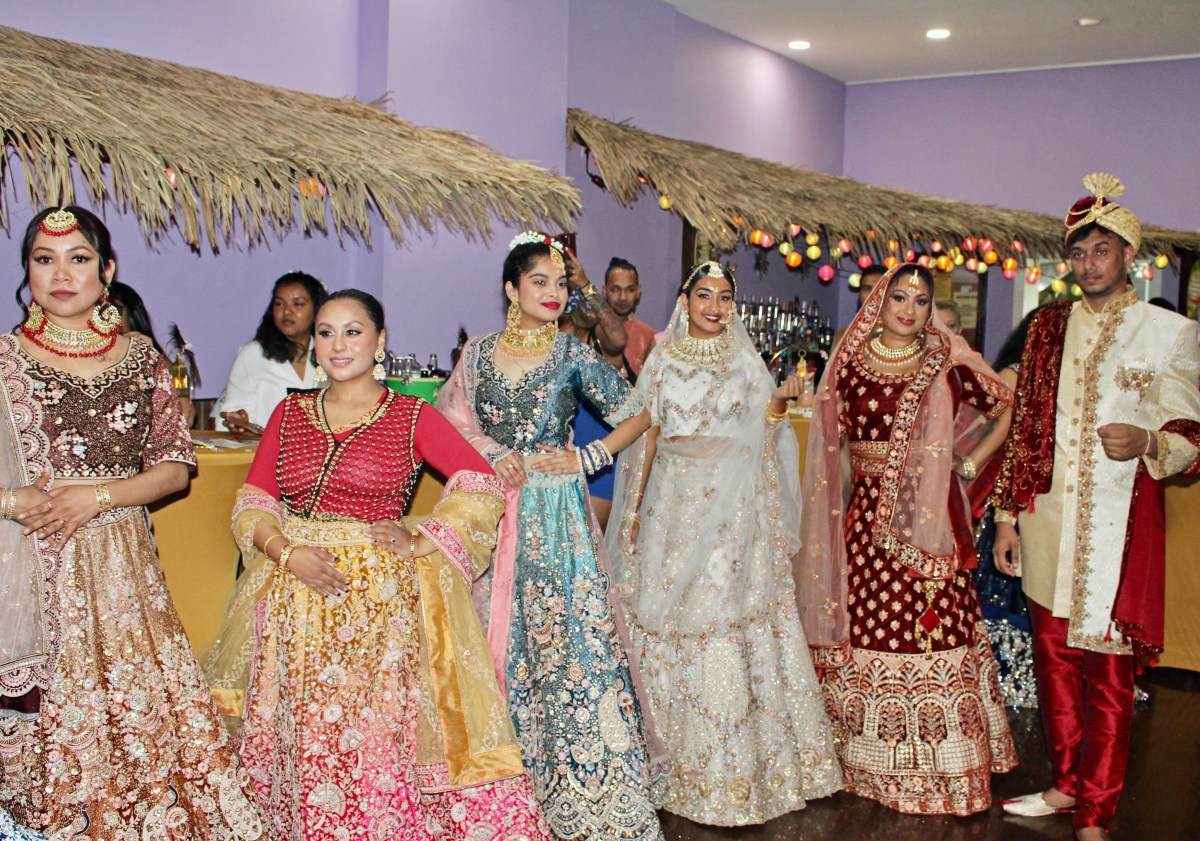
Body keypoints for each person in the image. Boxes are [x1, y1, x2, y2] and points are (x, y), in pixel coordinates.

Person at [228, 289, 548, 841]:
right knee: (298, 729)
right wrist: (288, 552)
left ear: (380, 340)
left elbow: (480, 483)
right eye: (326, 332)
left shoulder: (409, 414)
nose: (337, 344)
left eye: (353, 331)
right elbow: (252, 501)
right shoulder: (289, 411)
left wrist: (423, 538)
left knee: (368, 732)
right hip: (291, 598)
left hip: (373, 606)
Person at [0, 207, 262, 839]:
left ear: (107, 270)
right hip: (31, 562)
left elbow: (175, 467)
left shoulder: (141, 357)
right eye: (44, 258)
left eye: (79, 258)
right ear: (27, 271)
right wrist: (13, 501)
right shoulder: (5, 360)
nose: (62, 274)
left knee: (143, 717)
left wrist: (98, 497)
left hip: (123, 570)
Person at [991, 174, 1200, 841]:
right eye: (1078, 253)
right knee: (1052, 661)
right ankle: (1065, 783)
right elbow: (1026, 425)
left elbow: (1191, 434)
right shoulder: (1049, 324)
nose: (1086, 265)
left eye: (1100, 252)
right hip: (1047, 519)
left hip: (1118, 531)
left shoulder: (1167, 332)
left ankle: (1098, 808)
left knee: (1106, 673)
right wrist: (1005, 515)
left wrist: (1147, 440)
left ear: (1127, 255)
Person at [437, 232, 666, 841]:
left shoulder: (573, 354)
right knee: (487, 631)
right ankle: (493, 781)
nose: (554, 293)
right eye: (540, 281)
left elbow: (642, 409)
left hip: (554, 514)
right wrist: (490, 452)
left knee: (562, 637)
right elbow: (448, 419)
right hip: (488, 506)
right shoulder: (477, 353)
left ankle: (578, 782)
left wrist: (589, 457)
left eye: (561, 283)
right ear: (512, 289)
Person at [605, 260, 842, 825]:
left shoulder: (743, 358)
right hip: (672, 505)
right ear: (685, 300)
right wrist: (634, 509)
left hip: (732, 514)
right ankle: (665, 766)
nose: (715, 306)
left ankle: (734, 771)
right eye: (704, 295)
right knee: (666, 618)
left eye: (725, 296)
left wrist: (781, 402)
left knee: (720, 618)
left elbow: (769, 430)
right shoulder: (661, 358)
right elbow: (647, 434)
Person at [799, 262, 1018, 816]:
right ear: (879, 299)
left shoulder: (945, 361)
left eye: (922, 302)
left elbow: (1007, 405)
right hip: (866, 516)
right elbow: (833, 450)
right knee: (866, 623)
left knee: (929, 630)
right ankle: (859, 761)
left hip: (930, 520)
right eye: (899, 297)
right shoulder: (847, 361)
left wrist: (968, 463)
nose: (910, 310)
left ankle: (939, 772)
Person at [969, 309, 1039, 708]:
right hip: (1006, 485)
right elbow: (1001, 436)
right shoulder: (1013, 373)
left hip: (1035, 488)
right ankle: (1002, 673)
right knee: (1001, 578)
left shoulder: (1053, 380)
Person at [213, 270, 327, 435]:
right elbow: (231, 413)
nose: (287, 311)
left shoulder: (329, 354)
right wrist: (238, 420)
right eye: (279, 304)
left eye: (298, 304)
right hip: (265, 453)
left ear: (317, 310)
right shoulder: (253, 354)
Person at [108, 280, 196, 427]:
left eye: (114, 309)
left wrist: (153, 363)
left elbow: (188, 416)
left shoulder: (157, 357)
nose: (106, 317)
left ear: (133, 315)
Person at [602, 257, 656, 378]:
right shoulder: (590, 328)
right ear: (604, 291)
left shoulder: (648, 336)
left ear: (638, 291)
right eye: (615, 289)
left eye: (630, 290)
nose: (623, 297)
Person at [832, 263, 886, 348]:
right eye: (867, 289)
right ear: (859, 294)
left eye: (879, 289)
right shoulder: (843, 337)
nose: (872, 295)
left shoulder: (902, 336)